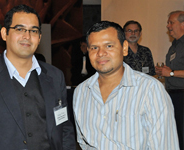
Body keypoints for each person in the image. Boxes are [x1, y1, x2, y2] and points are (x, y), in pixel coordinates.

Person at [0, 4, 76, 150]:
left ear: (39, 37)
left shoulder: (55, 76)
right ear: (4, 34)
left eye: (33, 31)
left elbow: (64, 127)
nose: (27, 36)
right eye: (20, 29)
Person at [73, 21, 179, 149]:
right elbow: (84, 143)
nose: (100, 53)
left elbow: (165, 145)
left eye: (109, 46)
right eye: (94, 47)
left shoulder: (150, 89)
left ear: (124, 48)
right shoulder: (81, 92)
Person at [156, 10, 184, 150]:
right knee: (175, 134)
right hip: (172, 95)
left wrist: (172, 73)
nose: (168, 26)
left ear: (183, 24)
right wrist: (164, 72)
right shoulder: (174, 46)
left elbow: (173, 73)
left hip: (182, 96)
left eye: (171, 22)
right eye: (168, 23)